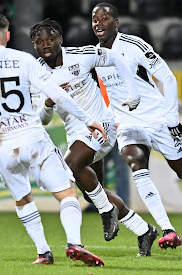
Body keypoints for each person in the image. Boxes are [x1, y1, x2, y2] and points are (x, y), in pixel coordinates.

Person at [0, 13, 106, 266]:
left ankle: (43, 252)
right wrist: (87, 119)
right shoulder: (23, 59)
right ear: (7, 35)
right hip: (32, 137)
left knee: (22, 197)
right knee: (68, 194)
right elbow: (56, 94)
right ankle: (74, 243)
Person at [29, 18, 159, 257]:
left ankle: (105, 211)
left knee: (70, 166)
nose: (45, 44)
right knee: (92, 189)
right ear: (34, 46)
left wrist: (133, 92)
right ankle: (144, 230)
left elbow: (115, 58)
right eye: (39, 42)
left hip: (101, 126)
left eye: (50, 39)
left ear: (60, 39)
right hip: (76, 136)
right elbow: (43, 119)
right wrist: (48, 104)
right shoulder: (35, 73)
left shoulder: (82, 55)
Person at [91, 3, 182, 249]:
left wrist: (172, 118)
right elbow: (104, 91)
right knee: (136, 164)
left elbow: (166, 77)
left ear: (116, 22)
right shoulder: (94, 55)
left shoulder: (134, 46)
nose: (98, 24)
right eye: (94, 20)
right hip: (127, 122)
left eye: (104, 19)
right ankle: (168, 230)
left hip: (158, 118)